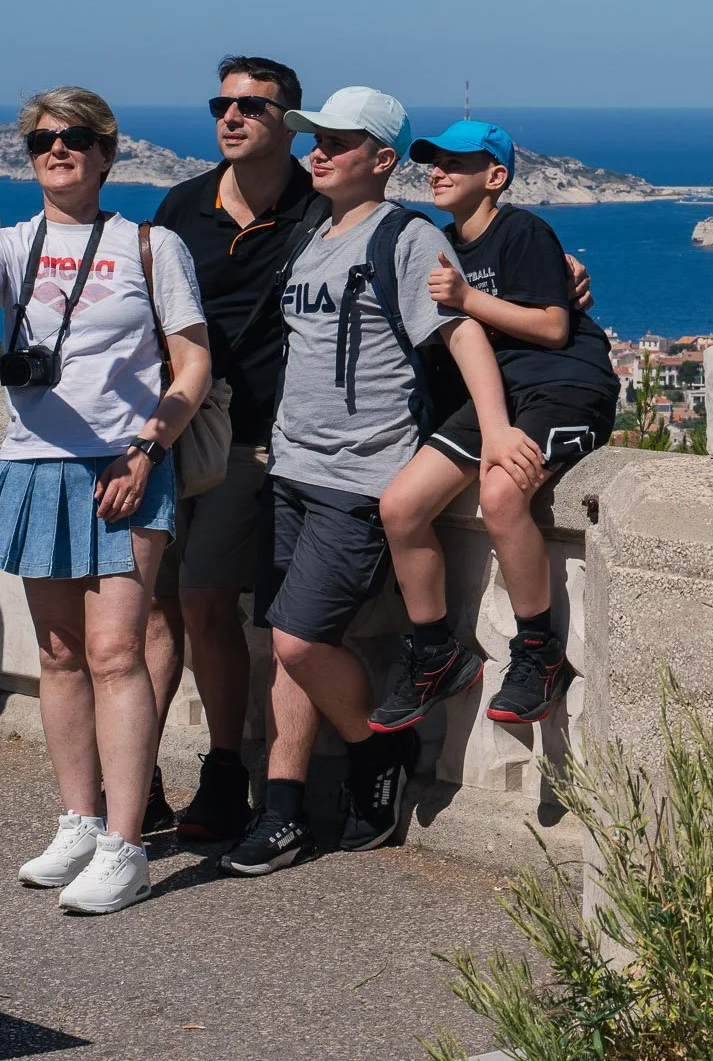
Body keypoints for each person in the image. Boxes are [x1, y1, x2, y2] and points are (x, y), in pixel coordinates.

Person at [222, 88, 544, 877]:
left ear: (383, 159)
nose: (317, 152)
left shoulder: (404, 238)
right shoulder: (308, 232)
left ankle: (379, 742)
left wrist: (497, 429)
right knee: (290, 643)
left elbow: (460, 326)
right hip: (289, 468)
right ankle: (284, 808)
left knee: (299, 640)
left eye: (338, 140)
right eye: (314, 139)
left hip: (357, 476)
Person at [0, 87, 210, 916]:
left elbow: (192, 367)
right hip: (36, 463)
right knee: (59, 653)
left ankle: (126, 844)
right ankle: (77, 819)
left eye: (74, 137)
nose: (55, 149)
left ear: (106, 152)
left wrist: (148, 448)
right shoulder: (14, 242)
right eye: (40, 140)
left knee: (115, 652)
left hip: (124, 462)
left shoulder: (151, 245)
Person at [370, 121, 617, 732]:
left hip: (564, 386)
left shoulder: (523, 230)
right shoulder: (441, 244)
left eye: (458, 163)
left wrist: (463, 296)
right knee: (401, 506)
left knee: (502, 493)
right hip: (495, 395)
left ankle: (539, 651)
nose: (438, 171)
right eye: (433, 162)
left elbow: (554, 327)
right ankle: (434, 652)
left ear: (496, 178)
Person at [143, 55, 329, 842]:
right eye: (222, 103)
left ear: (289, 121)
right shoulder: (181, 207)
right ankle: (136, 779)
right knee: (145, 607)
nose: (231, 116)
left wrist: (550, 271)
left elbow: (415, 255)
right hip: (166, 429)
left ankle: (224, 770)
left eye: (252, 106)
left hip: (251, 440)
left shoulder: (320, 211)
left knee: (205, 601)